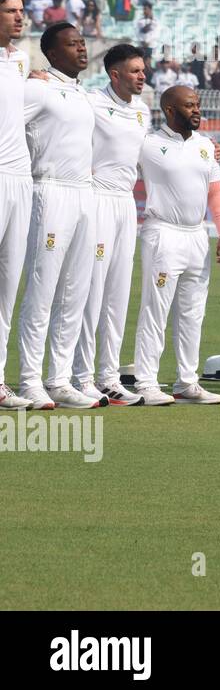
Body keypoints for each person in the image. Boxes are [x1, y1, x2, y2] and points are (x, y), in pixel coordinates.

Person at [126, 86, 220, 405]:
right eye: (189, 105)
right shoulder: (147, 143)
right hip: (163, 233)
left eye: (198, 104)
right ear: (170, 110)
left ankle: (187, 381)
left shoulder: (205, 147)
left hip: (197, 235)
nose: (197, 110)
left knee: (192, 313)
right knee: (155, 310)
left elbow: (216, 191)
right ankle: (146, 381)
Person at [16, 23, 102, 410]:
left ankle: (60, 379)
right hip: (49, 190)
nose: (82, 49)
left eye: (83, 43)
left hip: (85, 192)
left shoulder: (83, 93)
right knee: (43, 289)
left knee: (75, 292)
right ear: (51, 53)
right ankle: (30, 380)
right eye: (72, 45)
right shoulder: (37, 88)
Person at [68, 44, 152, 406]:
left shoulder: (143, 111)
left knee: (118, 293)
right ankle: (82, 376)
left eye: (142, 70)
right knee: (93, 291)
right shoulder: (90, 102)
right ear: (114, 74)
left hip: (125, 203)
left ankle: (109, 377)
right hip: (97, 198)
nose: (142, 76)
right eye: (134, 71)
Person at [0, 0, 34, 409]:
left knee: (9, 287)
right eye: (10, 10)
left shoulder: (22, 61)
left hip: (20, 179)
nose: (19, 17)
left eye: (21, 10)